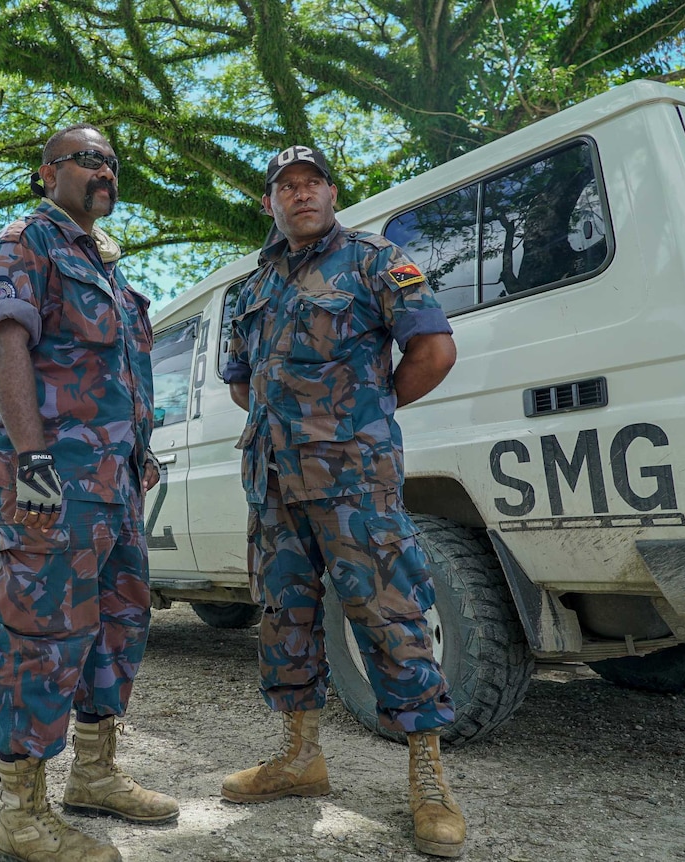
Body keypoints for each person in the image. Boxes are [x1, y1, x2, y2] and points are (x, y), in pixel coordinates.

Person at [222, 145, 465, 858]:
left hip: (354, 482)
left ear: (331, 192)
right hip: (272, 485)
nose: (301, 195)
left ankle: (428, 781)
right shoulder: (253, 285)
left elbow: (434, 352)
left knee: (390, 614)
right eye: (286, 187)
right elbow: (242, 379)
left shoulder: (372, 259)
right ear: (270, 202)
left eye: (313, 183)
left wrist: (366, 413)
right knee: (283, 618)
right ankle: (300, 759)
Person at [0, 123, 178, 862]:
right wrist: (31, 461)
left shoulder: (113, 273)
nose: (104, 172)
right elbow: (6, 343)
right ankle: (21, 816)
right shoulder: (24, 243)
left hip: (114, 485)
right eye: (88, 160)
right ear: (46, 172)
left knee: (118, 628)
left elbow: (121, 379)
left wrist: (139, 456)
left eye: (112, 164)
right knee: (40, 634)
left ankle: (94, 774)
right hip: (51, 483)